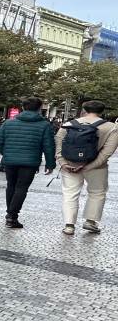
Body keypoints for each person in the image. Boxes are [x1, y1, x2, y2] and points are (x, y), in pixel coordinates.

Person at [55, 100, 118, 235]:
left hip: (70, 165)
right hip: (97, 167)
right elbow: (107, 152)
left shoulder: (67, 125)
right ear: (102, 111)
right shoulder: (111, 127)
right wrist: (90, 166)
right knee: (97, 193)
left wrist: (63, 163)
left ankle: (69, 225)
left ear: (84, 110)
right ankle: (90, 221)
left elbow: (58, 147)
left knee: (70, 193)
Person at [0, 97, 55, 228]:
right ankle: (12, 216)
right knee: (21, 188)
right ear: (39, 108)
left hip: (10, 161)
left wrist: (7, 153)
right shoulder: (44, 125)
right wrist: (50, 164)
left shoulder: (8, 123)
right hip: (30, 162)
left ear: (22, 107)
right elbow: (49, 146)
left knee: (11, 186)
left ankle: (10, 214)